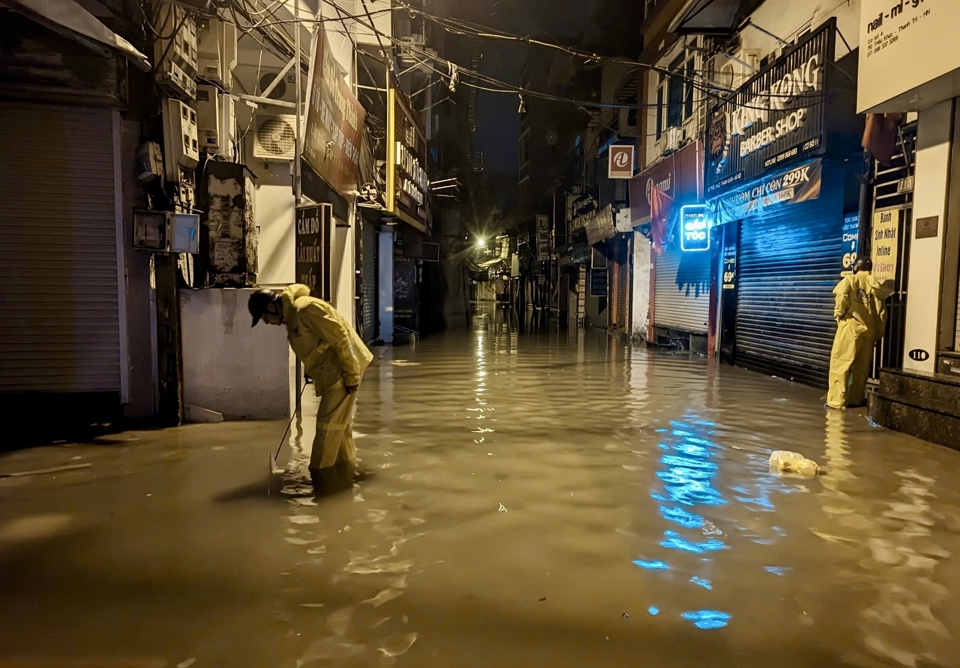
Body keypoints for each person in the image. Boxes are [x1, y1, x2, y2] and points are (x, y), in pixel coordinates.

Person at [249, 285, 373, 480]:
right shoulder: (292, 318)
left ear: (272, 307)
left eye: (264, 317)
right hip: (330, 373)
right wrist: (312, 370)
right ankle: (345, 470)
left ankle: (321, 478)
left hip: (341, 372)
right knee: (338, 426)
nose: (266, 322)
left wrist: (351, 375)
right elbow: (314, 345)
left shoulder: (306, 309)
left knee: (327, 427)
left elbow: (340, 337)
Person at [826, 257, 894, 409]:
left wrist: (839, 315)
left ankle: (836, 402)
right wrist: (878, 333)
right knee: (861, 368)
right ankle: (855, 399)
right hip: (868, 331)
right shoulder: (876, 286)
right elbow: (882, 314)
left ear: (856, 267)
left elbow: (841, 300)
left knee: (840, 364)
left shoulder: (850, 280)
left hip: (850, 327)